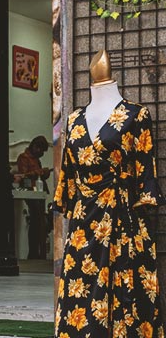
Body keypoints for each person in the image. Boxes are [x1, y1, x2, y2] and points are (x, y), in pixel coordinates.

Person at [53, 50, 164, 336]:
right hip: (83, 224)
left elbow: (145, 168)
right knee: (80, 289)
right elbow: (68, 175)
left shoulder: (136, 115)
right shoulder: (74, 119)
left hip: (122, 218)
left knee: (125, 292)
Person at [17, 136, 51, 260]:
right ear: (35, 147)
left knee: (40, 223)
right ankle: (33, 253)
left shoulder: (36, 159)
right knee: (35, 222)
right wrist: (40, 172)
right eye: (41, 150)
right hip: (30, 192)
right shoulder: (23, 158)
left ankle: (38, 252)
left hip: (39, 192)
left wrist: (44, 173)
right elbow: (23, 175)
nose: (41, 154)